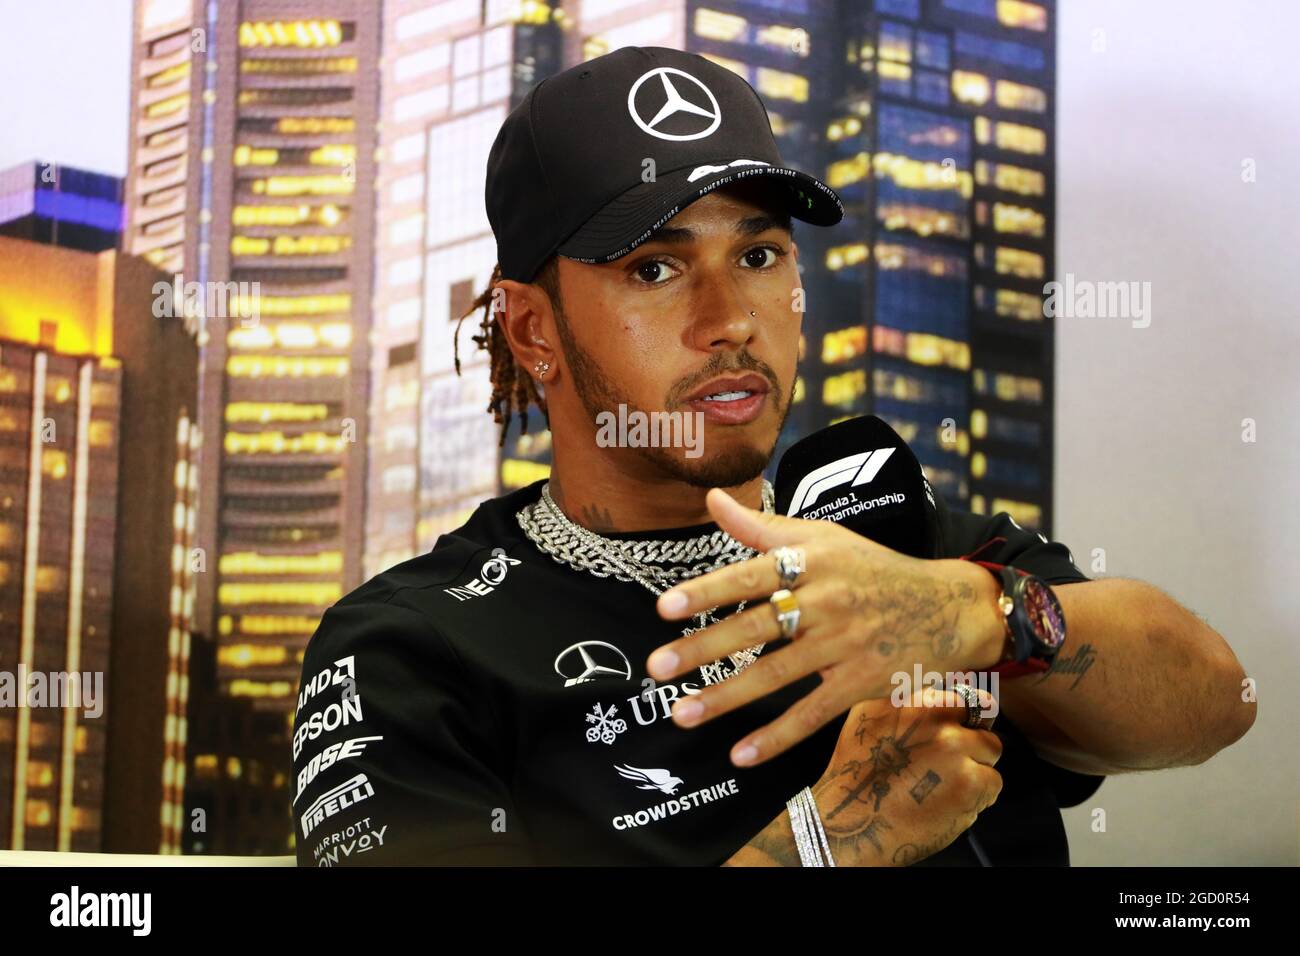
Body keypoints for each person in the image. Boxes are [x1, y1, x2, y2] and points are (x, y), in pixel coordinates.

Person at [290, 47, 1254, 867]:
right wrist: (820, 845)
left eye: (759, 257)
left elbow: (1212, 698)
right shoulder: (409, 650)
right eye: (655, 270)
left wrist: (975, 611)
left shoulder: (894, 538)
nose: (730, 323)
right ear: (533, 328)